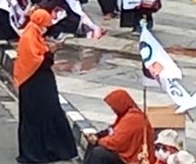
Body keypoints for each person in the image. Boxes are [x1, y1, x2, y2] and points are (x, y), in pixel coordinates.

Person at [14, 10, 77, 163]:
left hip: (40, 82)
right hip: (33, 83)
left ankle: (52, 149)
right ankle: (34, 154)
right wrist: (51, 51)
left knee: (50, 113)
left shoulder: (34, 35)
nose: (46, 29)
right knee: (36, 118)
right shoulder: (29, 37)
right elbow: (38, 61)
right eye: (46, 25)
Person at [82, 89, 153, 164]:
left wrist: (98, 141)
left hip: (132, 158)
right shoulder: (125, 115)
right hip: (125, 152)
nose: (113, 109)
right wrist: (98, 136)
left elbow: (117, 142)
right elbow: (113, 130)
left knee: (98, 153)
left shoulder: (133, 118)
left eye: (114, 106)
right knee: (94, 144)